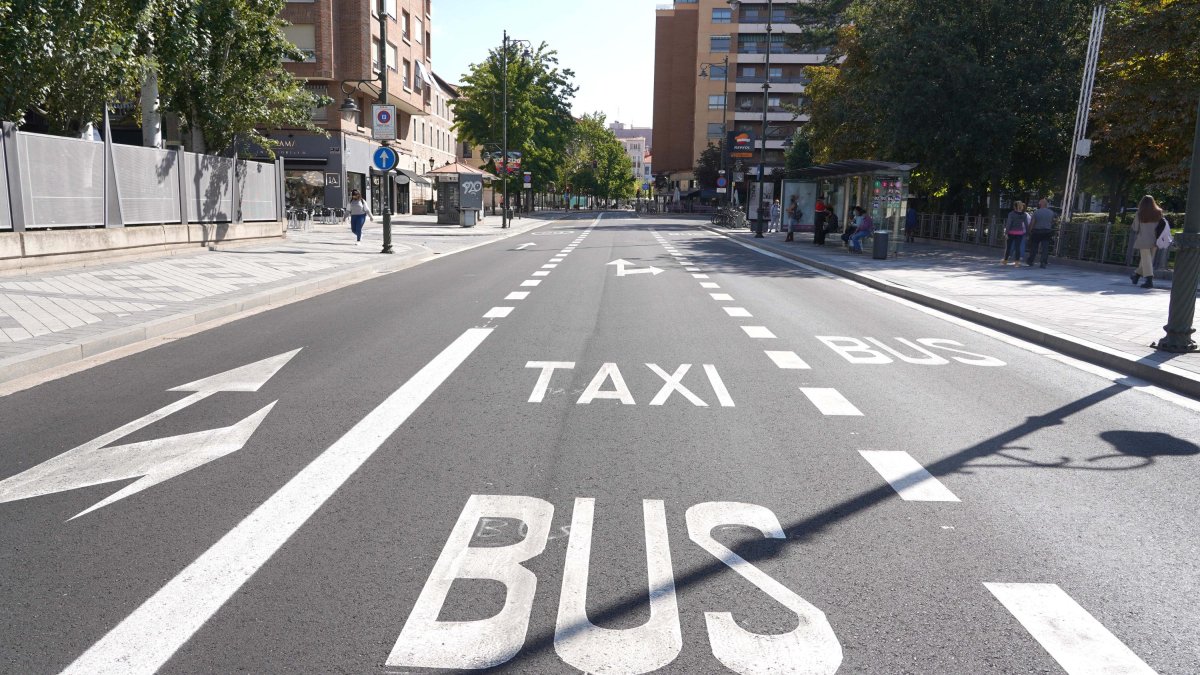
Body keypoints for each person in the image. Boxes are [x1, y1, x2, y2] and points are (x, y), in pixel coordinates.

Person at [1130, 195, 1165, 289]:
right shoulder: (1159, 212)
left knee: (1146, 260)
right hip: (1155, 240)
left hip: (1143, 239)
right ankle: (1136, 275)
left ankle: (1149, 281)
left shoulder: (1140, 213)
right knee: (1147, 260)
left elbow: (1135, 228)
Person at [1024, 198, 1056, 267]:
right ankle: (1043, 262)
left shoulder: (1036, 212)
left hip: (1037, 231)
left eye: (1039, 203)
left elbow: (1032, 223)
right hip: (1047, 231)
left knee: (1034, 247)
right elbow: (1052, 222)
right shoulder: (1051, 212)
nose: (1038, 204)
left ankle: (1030, 260)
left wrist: (1029, 231)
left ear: (1041, 204)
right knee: (1045, 247)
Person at [1002, 201, 1028, 265]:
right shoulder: (1024, 215)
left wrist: (1006, 232)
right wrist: (1027, 233)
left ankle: (1005, 260)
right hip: (1020, 233)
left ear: (1014, 206)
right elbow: (1026, 224)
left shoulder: (1011, 214)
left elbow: (1008, 223)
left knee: (1008, 247)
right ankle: (1017, 262)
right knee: (1018, 247)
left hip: (1011, 232)